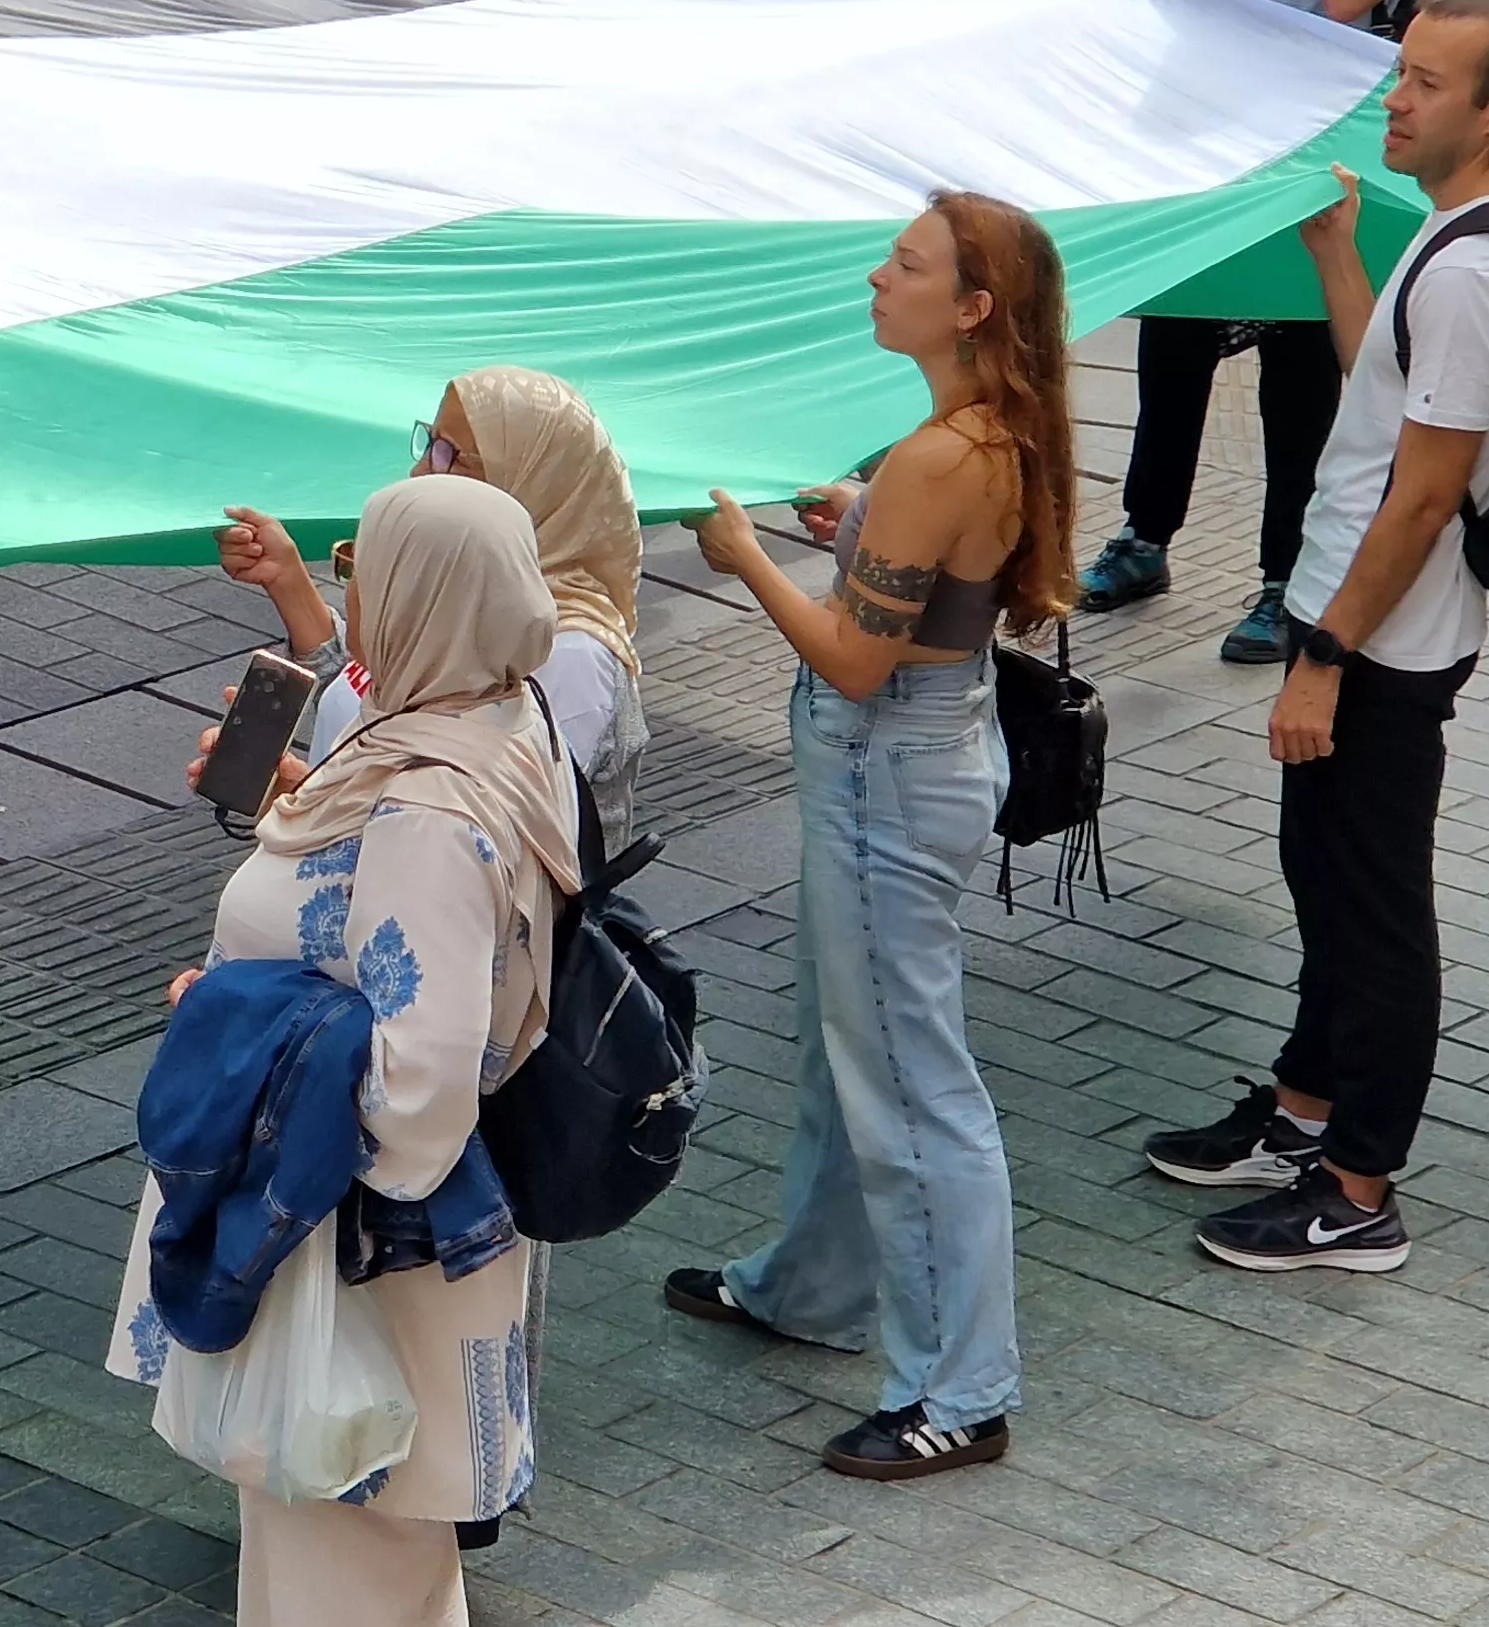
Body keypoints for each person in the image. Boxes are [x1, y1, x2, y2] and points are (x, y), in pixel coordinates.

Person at [1140, 0, 1489, 1274]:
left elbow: (1428, 488)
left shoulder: (1486, 270)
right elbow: (1384, 401)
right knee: (1326, 884)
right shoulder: (1461, 237)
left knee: (1373, 910)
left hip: (1379, 641)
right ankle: (1304, 1110)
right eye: (1400, 74)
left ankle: (1357, 1190)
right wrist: (1338, 254)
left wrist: (1322, 658)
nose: (1395, 98)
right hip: (1365, 624)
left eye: (1426, 84)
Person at [111, 474, 580, 1626]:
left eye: (357, 563)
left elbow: (415, 1086)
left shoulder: (431, 807)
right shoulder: (487, 721)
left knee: (336, 1556)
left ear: (424, 595)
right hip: (393, 1245)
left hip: (356, 1243)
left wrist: (238, 1027)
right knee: (372, 1564)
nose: (343, 582)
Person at [661, 192, 1076, 1478]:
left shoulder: (942, 455)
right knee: (854, 1043)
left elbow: (850, 660)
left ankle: (958, 1389)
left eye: (904, 266)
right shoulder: (980, 437)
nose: (873, 276)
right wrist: (859, 536)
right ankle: (812, 1287)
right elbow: (937, 595)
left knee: (906, 1077)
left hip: (882, 773)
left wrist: (747, 558)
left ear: (970, 308)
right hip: (926, 754)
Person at [1097, 0, 1465, 663]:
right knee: (1174, 340)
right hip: (1220, 135)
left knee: (1302, 371)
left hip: (1323, 148)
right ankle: (1144, 536)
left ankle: (1281, 577)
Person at [213, 367, 650, 849]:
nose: (422, 470)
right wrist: (289, 583)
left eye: (452, 455)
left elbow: (482, 844)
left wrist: (309, 806)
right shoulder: (463, 587)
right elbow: (372, 694)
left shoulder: (569, 657)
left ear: (528, 481)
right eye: (429, 442)